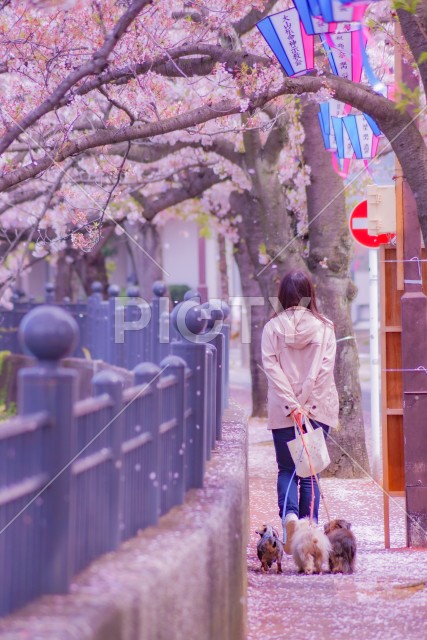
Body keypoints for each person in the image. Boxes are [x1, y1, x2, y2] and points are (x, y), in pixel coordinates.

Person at [261, 270, 339, 553]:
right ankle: (309, 528)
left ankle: (290, 516)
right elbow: (323, 369)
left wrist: (292, 405)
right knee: (310, 471)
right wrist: (304, 405)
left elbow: (271, 369)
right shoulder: (325, 327)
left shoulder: (272, 328)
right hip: (317, 406)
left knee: (287, 469)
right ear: (310, 294)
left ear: (282, 296)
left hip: (283, 411)